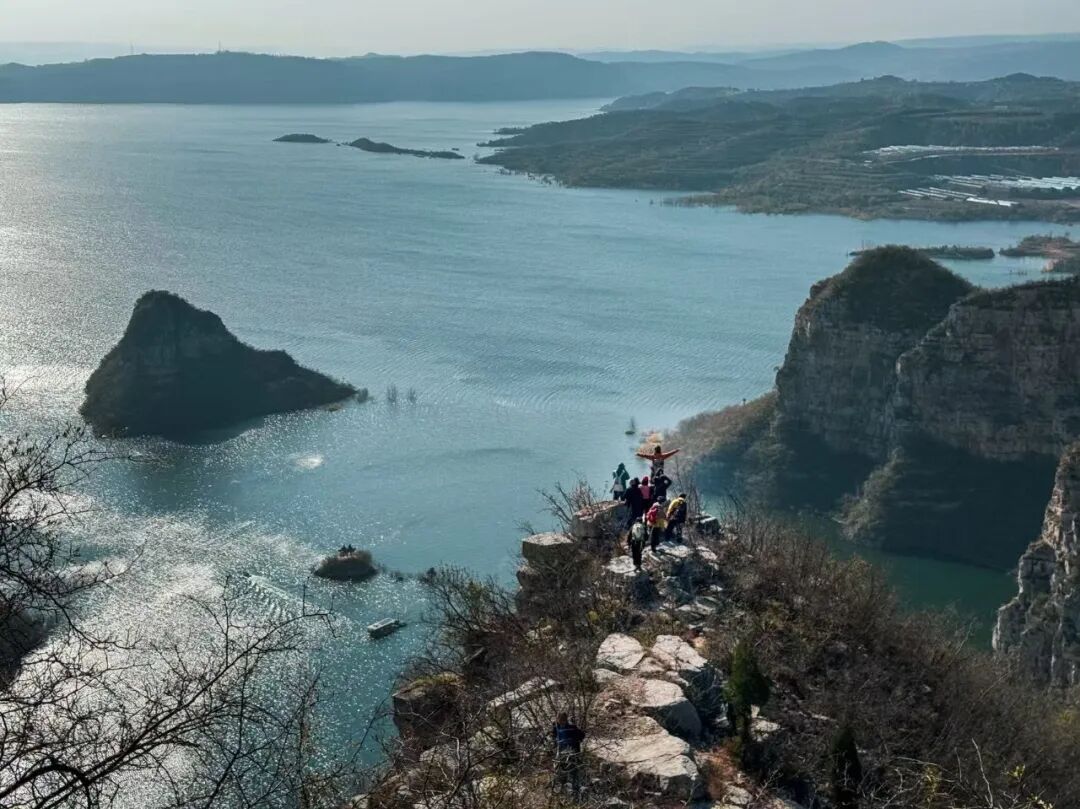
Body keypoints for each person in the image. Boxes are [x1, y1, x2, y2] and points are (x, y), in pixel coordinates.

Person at [552, 712, 586, 795]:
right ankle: (563, 789)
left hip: (572, 753)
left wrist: (576, 740)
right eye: (559, 719)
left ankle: (575, 790)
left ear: (565, 719)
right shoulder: (556, 728)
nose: (561, 720)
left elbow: (582, 735)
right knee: (561, 771)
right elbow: (554, 739)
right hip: (561, 754)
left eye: (562, 719)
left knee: (573, 770)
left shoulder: (572, 728)